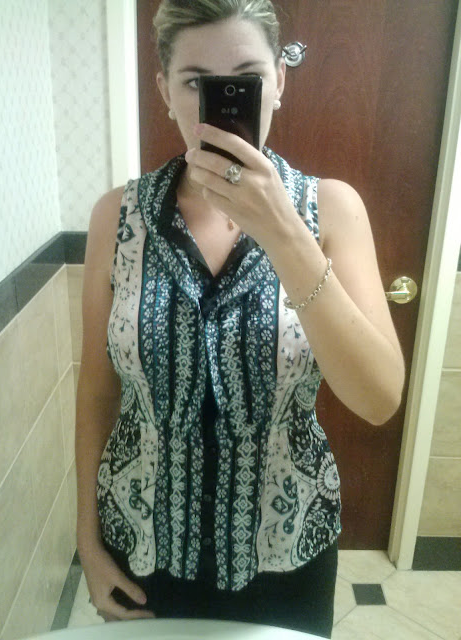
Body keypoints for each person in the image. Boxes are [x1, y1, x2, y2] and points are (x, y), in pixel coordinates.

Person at [75, 1, 405, 638]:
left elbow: (379, 399)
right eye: (195, 82)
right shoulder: (116, 217)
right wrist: (87, 541)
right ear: (163, 91)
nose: (218, 104)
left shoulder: (333, 210)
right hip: (140, 546)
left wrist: (284, 234)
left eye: (246, 79)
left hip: (286, 555)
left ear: (278, 81)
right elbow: (96, 390)